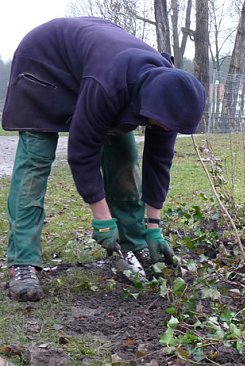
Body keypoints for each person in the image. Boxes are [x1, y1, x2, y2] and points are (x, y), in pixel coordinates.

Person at [2, 17, 206, 302]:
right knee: (36, 158)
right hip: (45, 62)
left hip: (93, 65)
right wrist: (101, 217)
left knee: (124, 157)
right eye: (160, 125)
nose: (163, 131)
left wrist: (154, 226)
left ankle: (136, 244)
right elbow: (82, 149)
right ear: (149, 106)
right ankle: (22, 261)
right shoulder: (110, 84)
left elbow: (159, 161)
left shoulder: (169, 95)